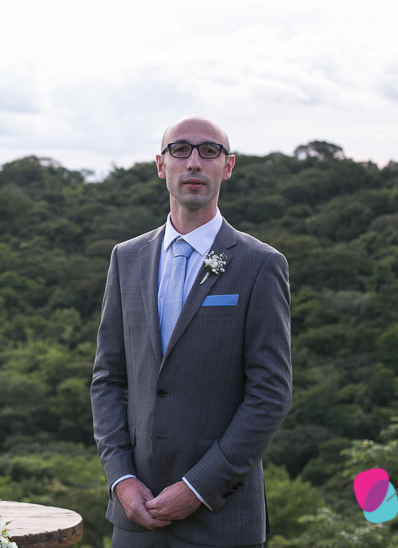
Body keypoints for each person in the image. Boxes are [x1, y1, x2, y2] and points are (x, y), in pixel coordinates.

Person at [91, 117, 292, 548]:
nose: (194, 162)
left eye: (209, 151)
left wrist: (198, 487)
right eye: (180, 150)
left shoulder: (261, 264)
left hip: (221, 517)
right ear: (161, 165)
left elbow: (270, 393)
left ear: (229, 166)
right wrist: (121, 479)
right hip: (135, 516)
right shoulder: (126, 259)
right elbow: (109, 379)